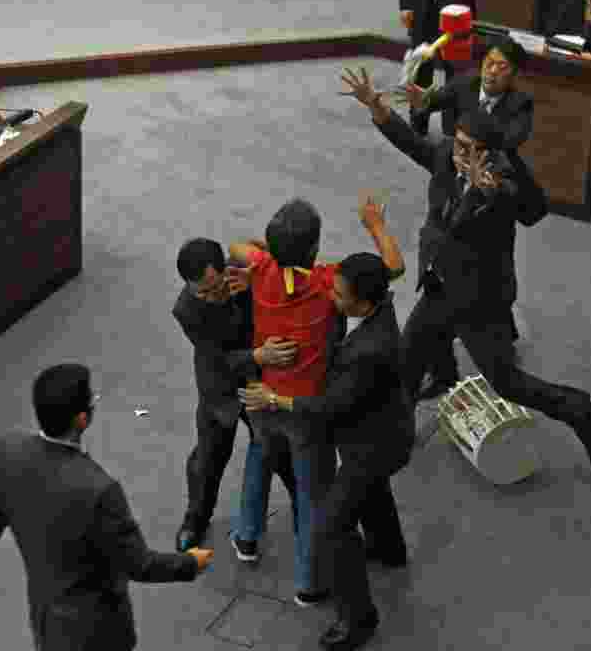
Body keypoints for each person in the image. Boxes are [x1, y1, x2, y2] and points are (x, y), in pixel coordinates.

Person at [341, 65, 591, 470]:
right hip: (438, 287)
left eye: (470, 148)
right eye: (458, 144)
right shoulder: (447, 159)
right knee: (407, 367)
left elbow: (519, 203)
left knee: (506, 382)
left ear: (490, 151)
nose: (460, 153)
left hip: (479, 302)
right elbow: (410, 141)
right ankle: (394, 437)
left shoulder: (500, 180)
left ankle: (578, 409)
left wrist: (490, 189)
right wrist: (376, 105)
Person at [0, 364, 212, 651]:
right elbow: (139, 564)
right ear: (82, 419)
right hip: (100, 633)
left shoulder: (7, 452)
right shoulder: (100, 490)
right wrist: (190, 563)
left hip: (48, 626)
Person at [227, 196, 404, 606]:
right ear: (314, 248)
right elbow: (393, 268)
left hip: (263, 396)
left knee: (259, 458)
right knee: (311, 494)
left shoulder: (261, 270)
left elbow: (238, 246)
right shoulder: (326, 283)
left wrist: (265, 255)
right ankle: (308, 580)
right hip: (306, 410)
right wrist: (376, 227)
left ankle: (247, 537)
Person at [240, 253, 412, 651]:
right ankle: (389, 549)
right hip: (383, 433)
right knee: (371, 490)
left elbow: (327, 407)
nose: (330, 297)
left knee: (333, 524)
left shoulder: (370, 349)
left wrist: (275, 398)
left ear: (363, 302)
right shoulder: (375, 315)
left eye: (338, 294)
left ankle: (358, 619)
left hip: (372, 444)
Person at [404, 35, 535, 399]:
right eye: (489, 62)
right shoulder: (464, 83)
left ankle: (501, 335)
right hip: (458, 179)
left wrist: (484, 158)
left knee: (491, 267)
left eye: (502, 66)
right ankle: (443, 370)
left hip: (494, 193)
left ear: (514, 74)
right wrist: (420, 102)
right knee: (446, 274)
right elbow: (432, 101)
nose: (492, 71)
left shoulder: (520, 105)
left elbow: (512, 140)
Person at [172, 237, 301, 552]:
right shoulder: (187, 309)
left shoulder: (247, 271)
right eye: (201, 292)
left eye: (215, 287)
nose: (211, 296)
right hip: (221, 388)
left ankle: (305, 511)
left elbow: (287, 278)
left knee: (282, 452)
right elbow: (216, 358)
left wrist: (255, 286)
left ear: (226, 269)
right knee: (208, 460)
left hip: (264, 384)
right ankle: (196, 518)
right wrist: (259, 356)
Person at [399, 0, 492, 135]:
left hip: (456, 8)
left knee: (455, 71)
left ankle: (452, 129)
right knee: (421, 65)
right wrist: (405, 5)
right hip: (422, 3)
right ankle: (418, 125)